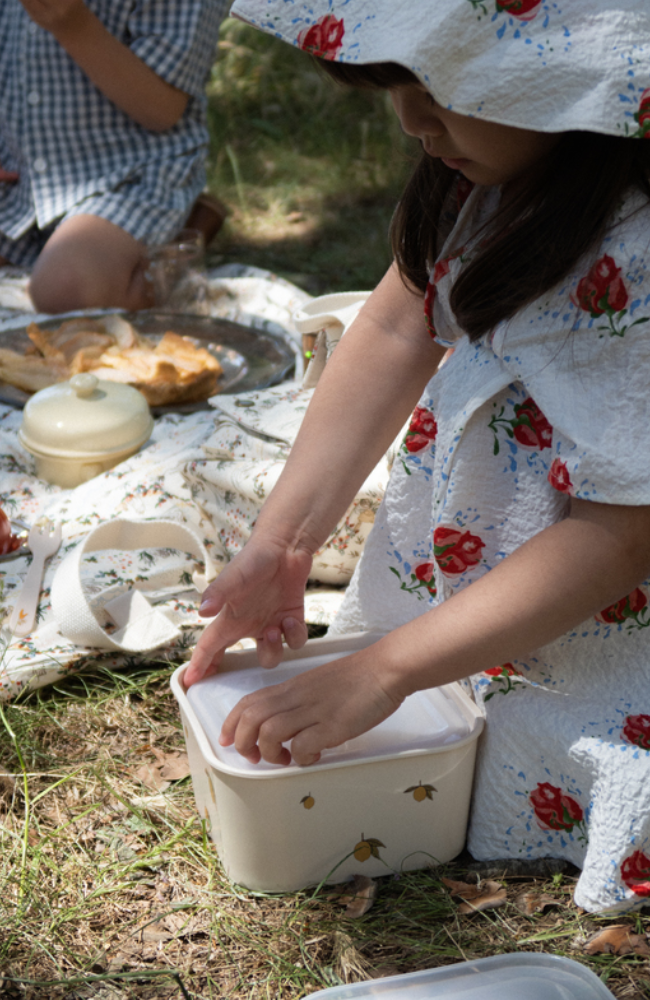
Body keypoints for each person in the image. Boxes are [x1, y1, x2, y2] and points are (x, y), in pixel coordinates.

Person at [184, 0, 650, 912]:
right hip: (478, 582)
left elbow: (621, 534)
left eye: (443, 84)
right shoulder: (483, 171)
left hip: (598, 617)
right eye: (400, 81)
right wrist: (284, 541)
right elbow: (400, 324)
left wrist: (385, 670)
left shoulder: (636, 254)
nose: (410, 118)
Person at [0, 0, 229, 314]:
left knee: (64, 290)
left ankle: (173, 253)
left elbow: (161, 109)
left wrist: (71, 23)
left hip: (130, 173)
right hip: (20, 175)